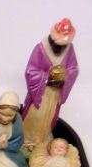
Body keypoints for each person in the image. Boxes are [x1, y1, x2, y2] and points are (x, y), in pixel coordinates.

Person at [22, 18, 79, 147]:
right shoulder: (40, 49)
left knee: (48, 116)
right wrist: (47, 79)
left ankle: (41, 138)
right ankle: (27, 138)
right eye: (58, 46)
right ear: (52, 40)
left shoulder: (69, 49)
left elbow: (73, 69)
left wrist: (64, 78)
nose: (60, 49)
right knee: (36, 114)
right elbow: (31, 71)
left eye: (63, 46)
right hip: (41, 92)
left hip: (55, 93)